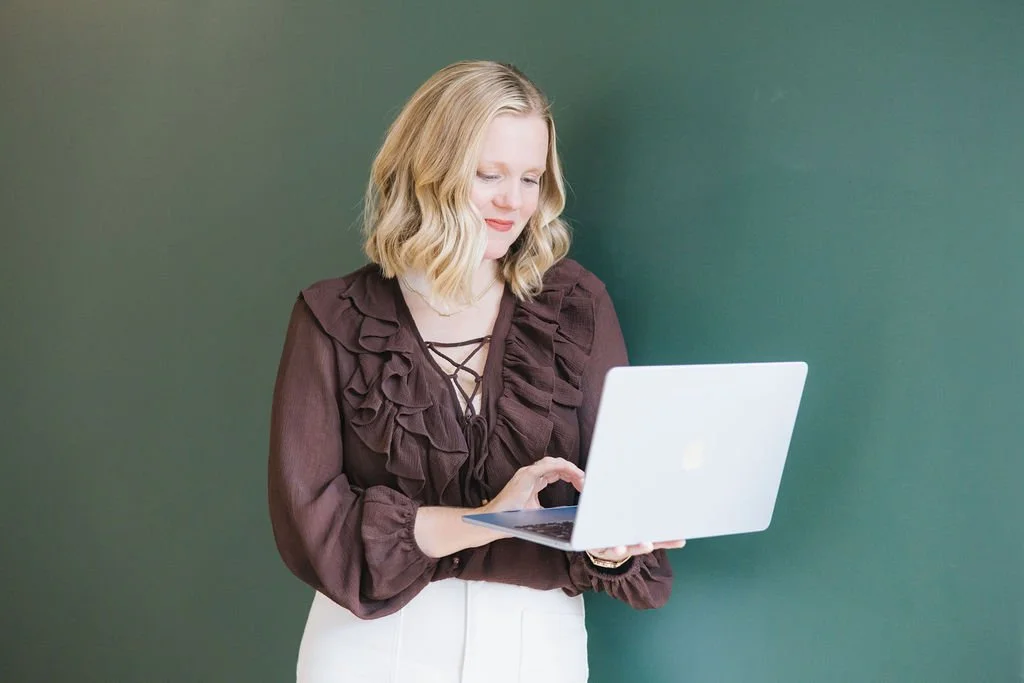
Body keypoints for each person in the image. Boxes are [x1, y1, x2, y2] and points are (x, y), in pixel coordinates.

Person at [268, 60, 685, 683]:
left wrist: (612, 546)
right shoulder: (332, 317)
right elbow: (314, 523)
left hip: (536, 648)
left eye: (530, 178)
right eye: (488, 174)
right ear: (428, 170)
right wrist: (486, 519)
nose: (512, 201)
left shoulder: (577, 305)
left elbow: (612, 499)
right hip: (372, 647)